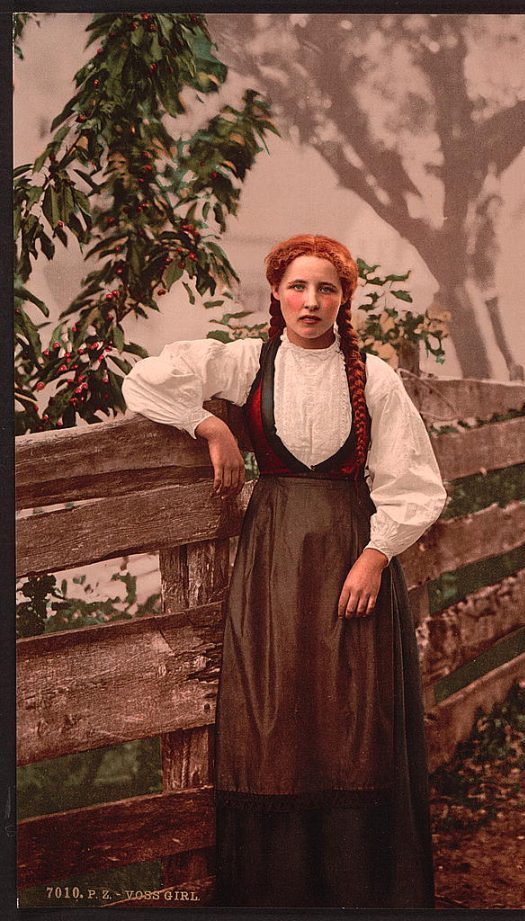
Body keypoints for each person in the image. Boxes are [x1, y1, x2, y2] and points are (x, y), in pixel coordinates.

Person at [122, 234, 447, 909]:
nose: (311, 300)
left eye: (326, 289)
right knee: (273, 713)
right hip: (272, 559)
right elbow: (147, 378)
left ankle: (359, 891)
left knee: (352, 713)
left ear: (343, 299)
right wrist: (207, 426)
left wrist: (376, 553)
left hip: (349, 558)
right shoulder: (249, 362)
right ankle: (278, 892)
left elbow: (417, 481)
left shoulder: (373, 377)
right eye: (299, 286)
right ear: (276, 291)